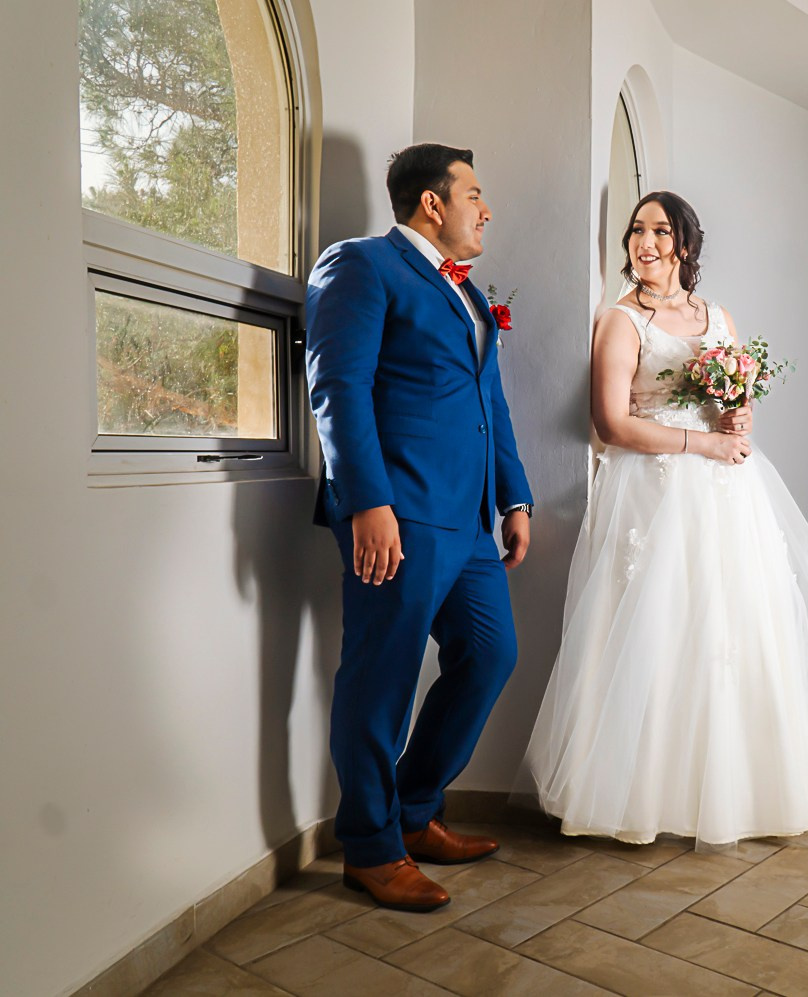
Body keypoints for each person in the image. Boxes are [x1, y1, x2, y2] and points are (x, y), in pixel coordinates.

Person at [520, 191, 808, 847]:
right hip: (653, 494)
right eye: (635, 231)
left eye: (659, 230)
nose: (643, 243)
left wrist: (738, 419)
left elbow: (736, 401)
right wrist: (704, 442)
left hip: (726, 494)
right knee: (660, 628)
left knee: (734, 627)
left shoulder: (716, 315)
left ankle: (743, 785)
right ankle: (649, 791)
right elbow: (611, 423)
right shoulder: (621, 321)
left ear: (684, 244)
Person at [305, 143, 534, 912]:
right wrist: (367, 501)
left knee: (491, 654)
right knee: (382, 679)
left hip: (468, 524)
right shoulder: (361, 265)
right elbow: (339, 385)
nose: (486, 207)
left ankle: (413, 807)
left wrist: (514, 498)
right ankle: (369, 847)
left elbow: (489, 405)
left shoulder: (468, 298)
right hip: (395, 514)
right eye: (475, 192)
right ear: (432, 203)